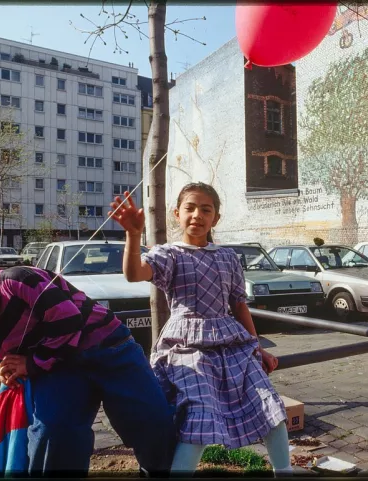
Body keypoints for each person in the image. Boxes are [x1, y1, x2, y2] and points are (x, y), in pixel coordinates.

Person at [0, 261, 176, 476]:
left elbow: (69, 322)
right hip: (60, 369)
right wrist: (9, 370)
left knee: (151, 421)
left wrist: (32, 363)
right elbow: (15, 360)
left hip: (111, 349)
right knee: (51, 432)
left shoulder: (17, 280)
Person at [110, 182, 292, 477]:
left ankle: (285, 472)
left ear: (216, 218)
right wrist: (133, 235)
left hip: (232, 344)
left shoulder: (229, 257)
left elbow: (239, 305)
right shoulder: (168, 254)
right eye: (190, 208)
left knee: (271, 408)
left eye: (205, 209)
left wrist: (257, 347)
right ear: (176, 214)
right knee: (199, 417)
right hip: (186, 347)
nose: (197, 215)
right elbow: (134, 274)